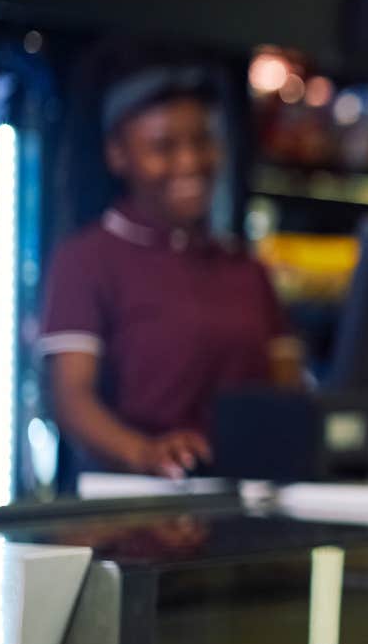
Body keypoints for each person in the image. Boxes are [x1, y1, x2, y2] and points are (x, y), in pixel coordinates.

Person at [39, 64, 303, 488]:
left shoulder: (246, 269)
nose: (190, 162)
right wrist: (146, 453)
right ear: (118, 154)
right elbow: (71, 400)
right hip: (131, 505)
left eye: (202, 141)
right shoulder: (86, 259)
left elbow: (288, 390)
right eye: (164, 147)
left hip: (247, 506)